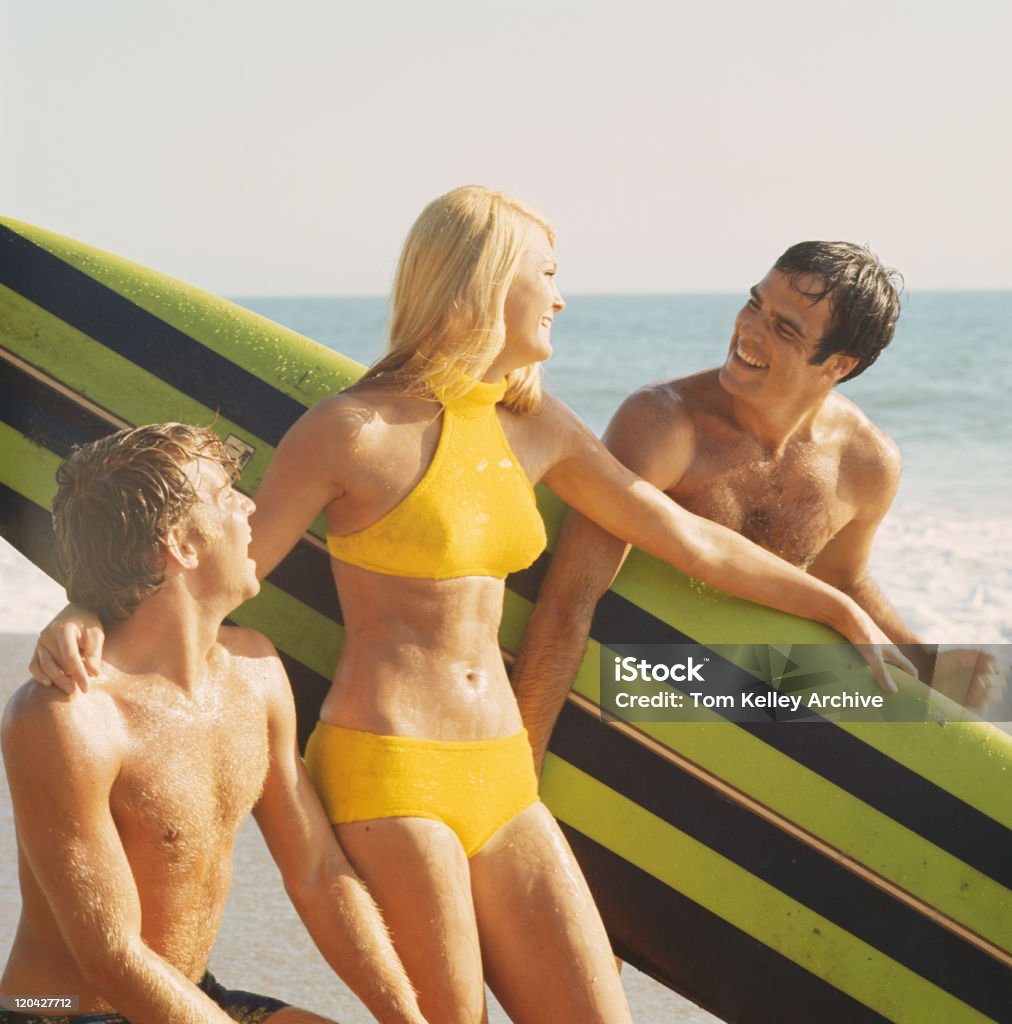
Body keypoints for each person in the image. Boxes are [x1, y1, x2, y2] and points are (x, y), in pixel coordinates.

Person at [29, 188, 912, 1024]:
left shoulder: (536, 425)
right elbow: (215, 577)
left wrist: (840, 610)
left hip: (504, 770)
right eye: (548, 274)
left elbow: (690, 540)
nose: (562, 300)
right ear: (487, 282)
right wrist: (84, 615)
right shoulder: (351, 432)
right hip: (389, 767)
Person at [512, 241, 999, 774]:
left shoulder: (867, 463)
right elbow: (570, 600)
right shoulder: (663, 424)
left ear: (838, 364)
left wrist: (941, 672)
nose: (748, 329)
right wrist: (521, 771)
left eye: (784, 329)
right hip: (627, 691)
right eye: (753, 304)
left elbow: (844, 580)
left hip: (753, 709)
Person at [2, 424, 425, 1024]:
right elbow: (111, 956)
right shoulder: (69, 716)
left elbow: (318, 872)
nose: (250, 505)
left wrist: (406, 1018)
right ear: (180, 543)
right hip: (57, 1010)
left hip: (192, 997)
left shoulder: (255, 670)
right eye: (227, 492)